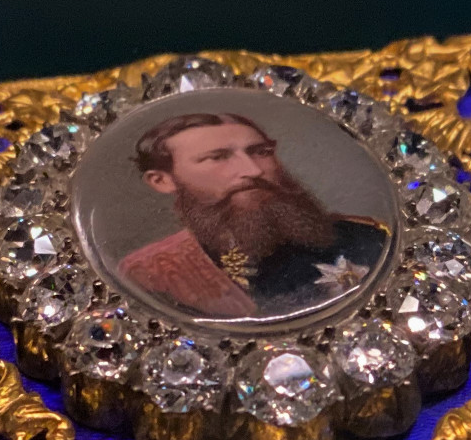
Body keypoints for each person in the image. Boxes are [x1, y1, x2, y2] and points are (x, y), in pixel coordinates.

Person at [117, 112, 389, 318]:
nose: (253, 170)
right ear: (162, 181)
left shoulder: (363, 235)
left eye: (261, 152)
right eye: (218, 157)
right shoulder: (151, 272)